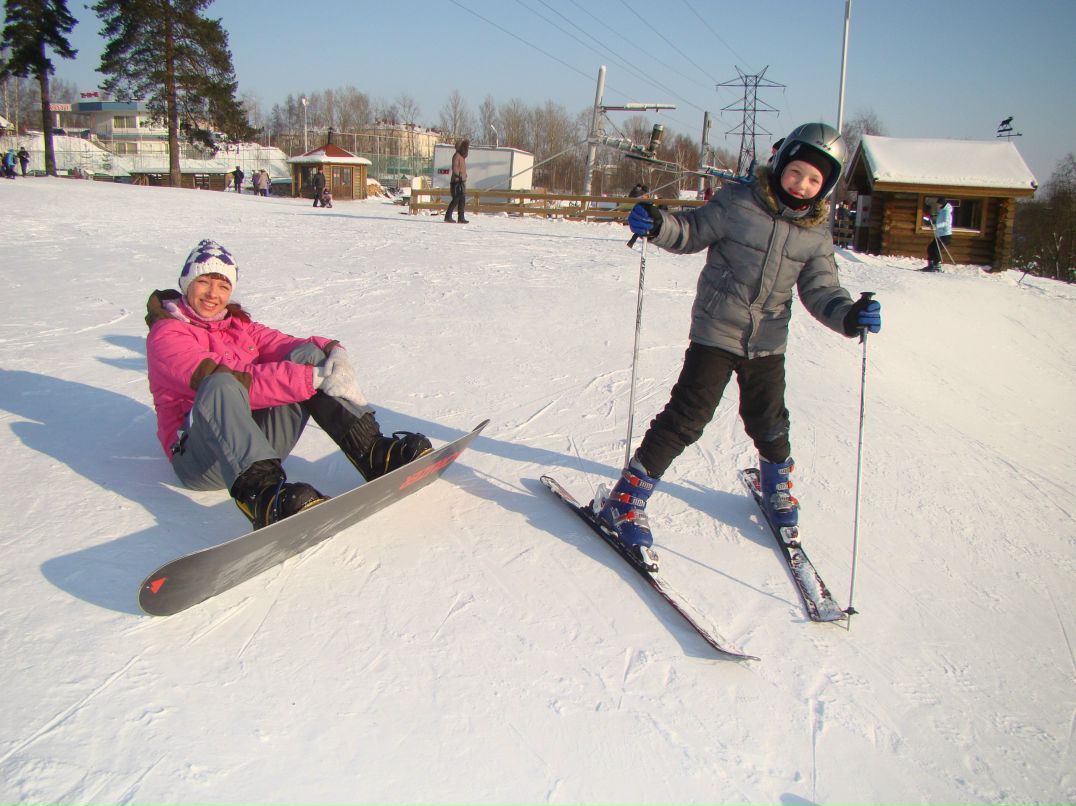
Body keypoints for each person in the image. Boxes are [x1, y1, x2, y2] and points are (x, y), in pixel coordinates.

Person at [605, 122, 883, 568]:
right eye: (797, 172)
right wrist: (657, 225)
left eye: (815, 180)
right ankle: (626, 498)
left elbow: (822, 291)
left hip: (768, 343)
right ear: (780, 164)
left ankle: (775, 485)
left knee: (770, 421)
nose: (802, 184)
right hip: (716, 331)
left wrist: (848, 315)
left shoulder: (815, 235)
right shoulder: (738, 202)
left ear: (825, 188)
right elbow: (690, 231)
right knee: (686, 418)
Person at [145, 239, 434, 529]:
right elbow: (236, 382)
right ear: (186, 283)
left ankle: (373, 452)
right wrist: (310, 380)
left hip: (254, 445)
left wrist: (335, 351)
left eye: (223, 286)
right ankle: (264, 496)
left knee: (308, 356)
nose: (213, 294)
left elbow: (290, 345)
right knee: (220, 384)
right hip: (202, 460)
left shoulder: (238, 326)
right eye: (204, 282)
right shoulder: (167, 335)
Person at [922, 198, 952, 271]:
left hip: (945, 235)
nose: (937, 205)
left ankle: (936, 266)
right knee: (930, 248)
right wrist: (932, 222)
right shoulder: (941, 211)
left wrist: (936, 226)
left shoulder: (946, 212)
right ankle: (931, 265)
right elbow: (939, 221)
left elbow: (946, 223)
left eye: (938, 204)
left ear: (942, 204)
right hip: (940, 234)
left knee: (935, 249)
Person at [444, 139, 469, 224]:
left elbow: (461, 169)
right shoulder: (456, 156)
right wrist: (461, 176)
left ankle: (461, 218)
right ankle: (448, 216)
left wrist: (465, 175)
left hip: (461, 182)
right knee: (456, 199)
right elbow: (455, 169)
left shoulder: (462, 157)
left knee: (462, 200)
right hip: (456, 182)